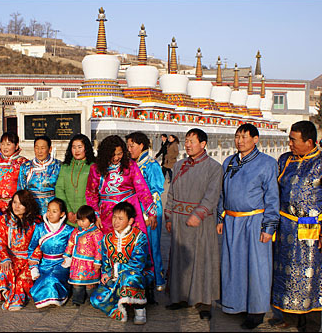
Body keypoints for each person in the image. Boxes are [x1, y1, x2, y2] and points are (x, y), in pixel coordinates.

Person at [272, 120, 322, 332]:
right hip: (285, 225)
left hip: (310, 225)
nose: (290, 144)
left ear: (309, 142)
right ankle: (289, 317)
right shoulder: (285, 160)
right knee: (285, 273)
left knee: (310, 273)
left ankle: (311, 323)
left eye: (294, 140)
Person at [216, 123, 280, 329]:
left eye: (244, 137)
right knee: (233, 265)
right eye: (237, 136)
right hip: (232, 220)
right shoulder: (229, 162)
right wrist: (220, 217)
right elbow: (222, 193)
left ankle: (256, 310)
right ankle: (235, 304)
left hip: (254, 221)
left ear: (256, 139)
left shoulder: (267, 163)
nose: (240, 141)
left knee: (257, 267)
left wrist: (268, 227)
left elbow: (272, 197)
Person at [164, 128, 222, 321]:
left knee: (203, 259)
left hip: (201, 221)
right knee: (180, 260)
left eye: (192, 141)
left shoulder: (214, 167)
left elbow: (212, 195)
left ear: (203, 144)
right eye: (186, 141)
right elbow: (171, 193)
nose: (188, 145)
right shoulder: (179, 165)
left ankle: (204, 302)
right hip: (179, 220)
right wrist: (169, 215)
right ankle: (180, 297)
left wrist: (199, 214)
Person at [90, 202, 153, 324]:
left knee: (129, 276)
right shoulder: (107, 238)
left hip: (138, 275)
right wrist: (106, 273)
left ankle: (139, 310)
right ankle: (120, 309)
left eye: (120, 218)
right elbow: (106, 261)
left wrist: (114, 271)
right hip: (114, 277)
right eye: (114, 217)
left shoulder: (139, 237)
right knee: (96, 299)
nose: (115, 221)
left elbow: (138, 264)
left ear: (130, 221)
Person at [85, 135, 157, 238]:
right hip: (107, 213)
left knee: (134, 243)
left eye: (120, 154)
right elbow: (91, 194)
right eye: (112, 155)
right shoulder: (95, 169)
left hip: (130, 209)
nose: (116, 158)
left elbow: (142, 189)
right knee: (110, 244)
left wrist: (151, 213)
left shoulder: (130, 165)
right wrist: (96, 216)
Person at [126, 132, 166, 291]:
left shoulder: (151, 165)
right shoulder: (132, 164)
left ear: (141, 145)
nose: (129, 149)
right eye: (128, 146)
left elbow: (156, 192)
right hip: (135, 210)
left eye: (132, 146)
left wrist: (152, 214)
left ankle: (157, 280)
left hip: (149, 211)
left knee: (152, 244)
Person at [0, 189, 41, 311]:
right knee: (4, 269)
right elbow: (0, 241)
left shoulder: (35, 222)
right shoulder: (4, 220)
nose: (16, 206)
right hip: (11, 258)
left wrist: (34, 259)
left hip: (28, 260)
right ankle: (7, 294)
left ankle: (17, 298)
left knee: (22, 280)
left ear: (28, 205)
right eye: (14, 202)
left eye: (21, 203)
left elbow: (40, 243)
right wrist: (5, 258)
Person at [28, 198, 74, 308]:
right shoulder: (39, 228)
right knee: (44, 277)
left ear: (62, 214)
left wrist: (68, 260)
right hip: (44, 263)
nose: (50, 214)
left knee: (52, 278)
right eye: (48, 210)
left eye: (54, 211)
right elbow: (31, 248)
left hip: (61, 264)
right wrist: (34, 266)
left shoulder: (69, 230)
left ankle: (59, 295)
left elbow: (73, 249)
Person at [61, 205, 103, 306]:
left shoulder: (96, 233)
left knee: (90, 284)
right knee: (77, 283)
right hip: (77, 261)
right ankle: (77, 300)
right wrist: (67, 255)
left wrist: (98, 261)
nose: (80, 223)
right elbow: (71, 243)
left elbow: (99, 248)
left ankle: (92, 300)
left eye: (83, 220)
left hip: (90, 263)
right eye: (79, 220)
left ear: (91, 220)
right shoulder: (76, 231)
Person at [55, 133, 96, 227]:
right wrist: (68, 211)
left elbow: (94, 192)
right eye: (73, 147)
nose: (76, 150)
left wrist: (81, 213)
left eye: (79, 147)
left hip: (86, 216)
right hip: (68, 217)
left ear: (86, 148)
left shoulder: (93, 166)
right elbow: (59, 188)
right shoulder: (65, 166)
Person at [17, 135, 61, 215]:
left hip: (52, 209)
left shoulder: (58, 166)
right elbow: (21, 190)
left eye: (42, 148)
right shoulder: (25, 167)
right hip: (31, 207)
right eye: (37, 148)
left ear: (50, 149)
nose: (39, 151)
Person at [0, 132, 27, 212]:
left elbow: (26, 186)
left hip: (15, 205)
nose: (5, 147)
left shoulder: (23, 162)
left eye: (8, 144)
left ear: (16, 146)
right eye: (2, 144)